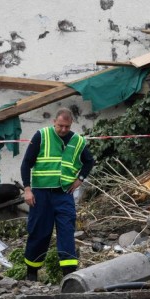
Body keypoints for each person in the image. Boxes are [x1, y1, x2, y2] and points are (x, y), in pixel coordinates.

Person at [21, 108, 95, 281]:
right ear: (54, 121)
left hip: (63, 195)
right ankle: (31, 274)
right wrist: (27, 189)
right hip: (41, 194)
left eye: (67, 127)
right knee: (39, 232)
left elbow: (89, 161)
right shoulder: (42, 135)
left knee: (67, 232)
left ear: (71, 125)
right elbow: (26, 163)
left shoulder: (78, 141)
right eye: (60, 126)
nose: (63, 130)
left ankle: (69, 277)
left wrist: (80, 179)